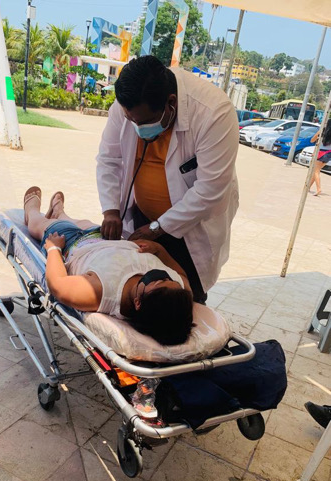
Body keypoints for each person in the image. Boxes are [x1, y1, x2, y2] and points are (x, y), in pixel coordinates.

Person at [23, 186, 195, 418]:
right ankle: (60, 212)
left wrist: (54, 249)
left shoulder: (101, 291)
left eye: (157, 281)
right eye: (167, 278)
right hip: (109, 238)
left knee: (41, 226)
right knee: (79, 220)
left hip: (74, 242)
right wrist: (160, 251)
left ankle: (31, 209)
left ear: (138, 303)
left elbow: (58, 286)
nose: (162, 276)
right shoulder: (176, 292)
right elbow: (183, 277)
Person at [97, 56, 239, 304]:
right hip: (142, 219)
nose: (137, 128)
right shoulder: (127, 105)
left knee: (183, 299)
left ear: (171, 103)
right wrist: (111, 211)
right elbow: (109, 159)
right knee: (139, 290)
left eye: (143, 123)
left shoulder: (213, 112)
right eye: (131, 121)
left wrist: (158, 227)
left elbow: (210, 190)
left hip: (190, 228)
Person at [309, 119, 331, 197]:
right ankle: (308, 187)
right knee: (316, 171)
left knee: (316, 171)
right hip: (329, 153)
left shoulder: (322, 131)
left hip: (321, 152)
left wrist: (318, 135)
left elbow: (312, 140)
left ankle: (319, 189)